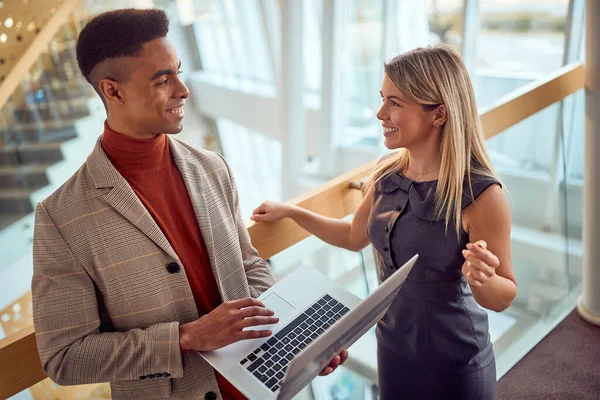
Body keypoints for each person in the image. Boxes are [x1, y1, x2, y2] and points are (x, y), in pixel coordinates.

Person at [31, 9, 345, 400]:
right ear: (113, 91)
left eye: (178, 71)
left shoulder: (212, 168)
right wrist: (185, 337)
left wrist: (297, 334)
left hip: (263, 388)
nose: (183, 89)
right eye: (163, 80)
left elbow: (247, 267)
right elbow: (65, 357)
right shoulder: (61, 217)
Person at [252, 44, 517, 399]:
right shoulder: (385, 172)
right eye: (382, 99)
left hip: (454, 360)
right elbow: (351, 236)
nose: (380, 113)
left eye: (395, 103)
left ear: (438, 114)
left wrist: (483, 280)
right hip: (392, 347)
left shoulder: (482, 195)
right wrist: (293, 212)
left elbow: (504, 295)